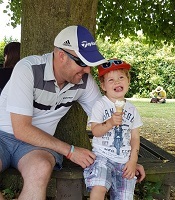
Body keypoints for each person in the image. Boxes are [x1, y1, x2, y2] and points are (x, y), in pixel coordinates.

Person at [0, 25, 145, 200]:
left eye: (90, 64)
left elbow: (110, 120)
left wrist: (129, 158)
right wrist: (70, 151)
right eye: (82, 63)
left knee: (40, 168)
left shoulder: (84, 81)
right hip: (2, 136)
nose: (88, 70)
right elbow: (21, 129)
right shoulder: (28, 69)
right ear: (61, 55)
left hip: (38, 146)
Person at [84, 59, 143, 200]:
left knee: (125, 196)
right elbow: (95, 131)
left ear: (128, 81)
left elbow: (135, 137)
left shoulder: (132, 109)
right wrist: (110, 122)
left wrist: (133, 160)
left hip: (124, 161)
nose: (117, 82)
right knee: (100, 185)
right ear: (103, 86)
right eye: (111, 80)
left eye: (121, 77)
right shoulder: (100, 105)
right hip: (102, 157)